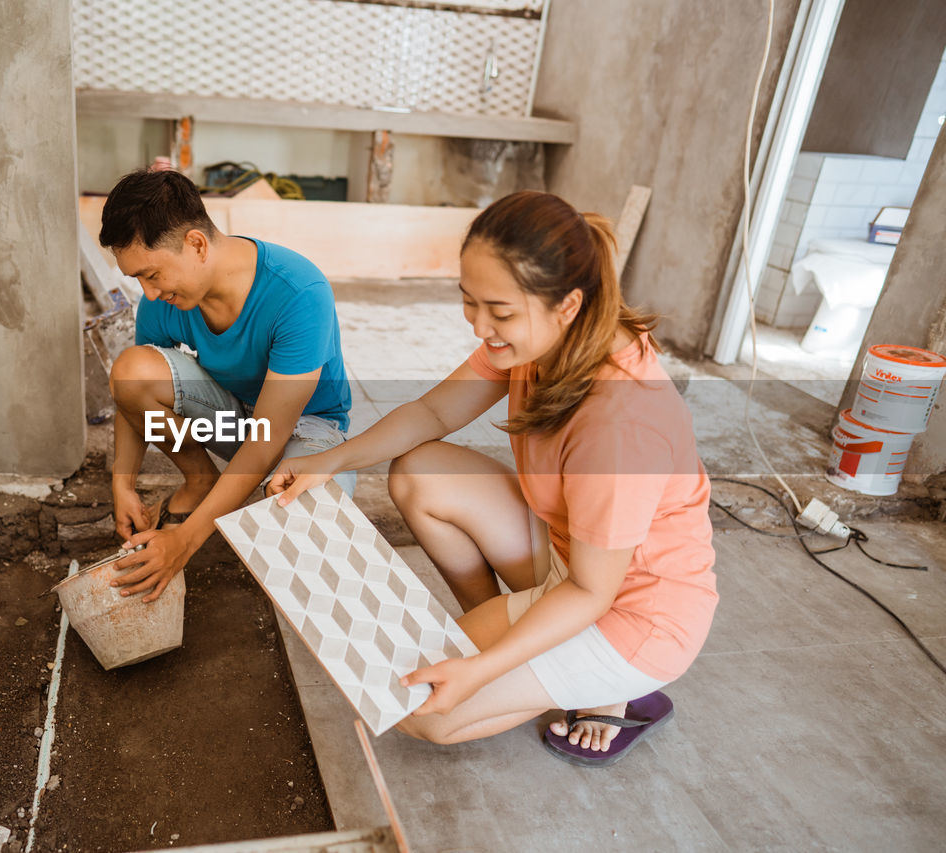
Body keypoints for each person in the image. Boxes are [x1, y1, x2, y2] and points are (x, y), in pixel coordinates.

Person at [268, 191, 717, 766]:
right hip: (570, 560)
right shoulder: (539, 340)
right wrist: (331, 458)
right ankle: (525, 653)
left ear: (568, 304)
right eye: (468, 301)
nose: (481, 327)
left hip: (632, 609)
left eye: (500, 312)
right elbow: (432, 414)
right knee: (421, 471)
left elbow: (592, 590)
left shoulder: (619, 421)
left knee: (416, 710)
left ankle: (606, 688)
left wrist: (481, 667)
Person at [102, 168, 353, 603]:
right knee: (131, 369)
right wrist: (122, 485)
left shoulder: (298, 292)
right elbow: (131, 396)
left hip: (309, 430)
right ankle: (199, 481)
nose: (150, 291)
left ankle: (230, 508)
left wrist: (186, 541)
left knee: (308, 528)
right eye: (137, 279)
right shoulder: (165, 299)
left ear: (196, 244)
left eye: (152, 274)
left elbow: (267, 438)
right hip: (236, 418)